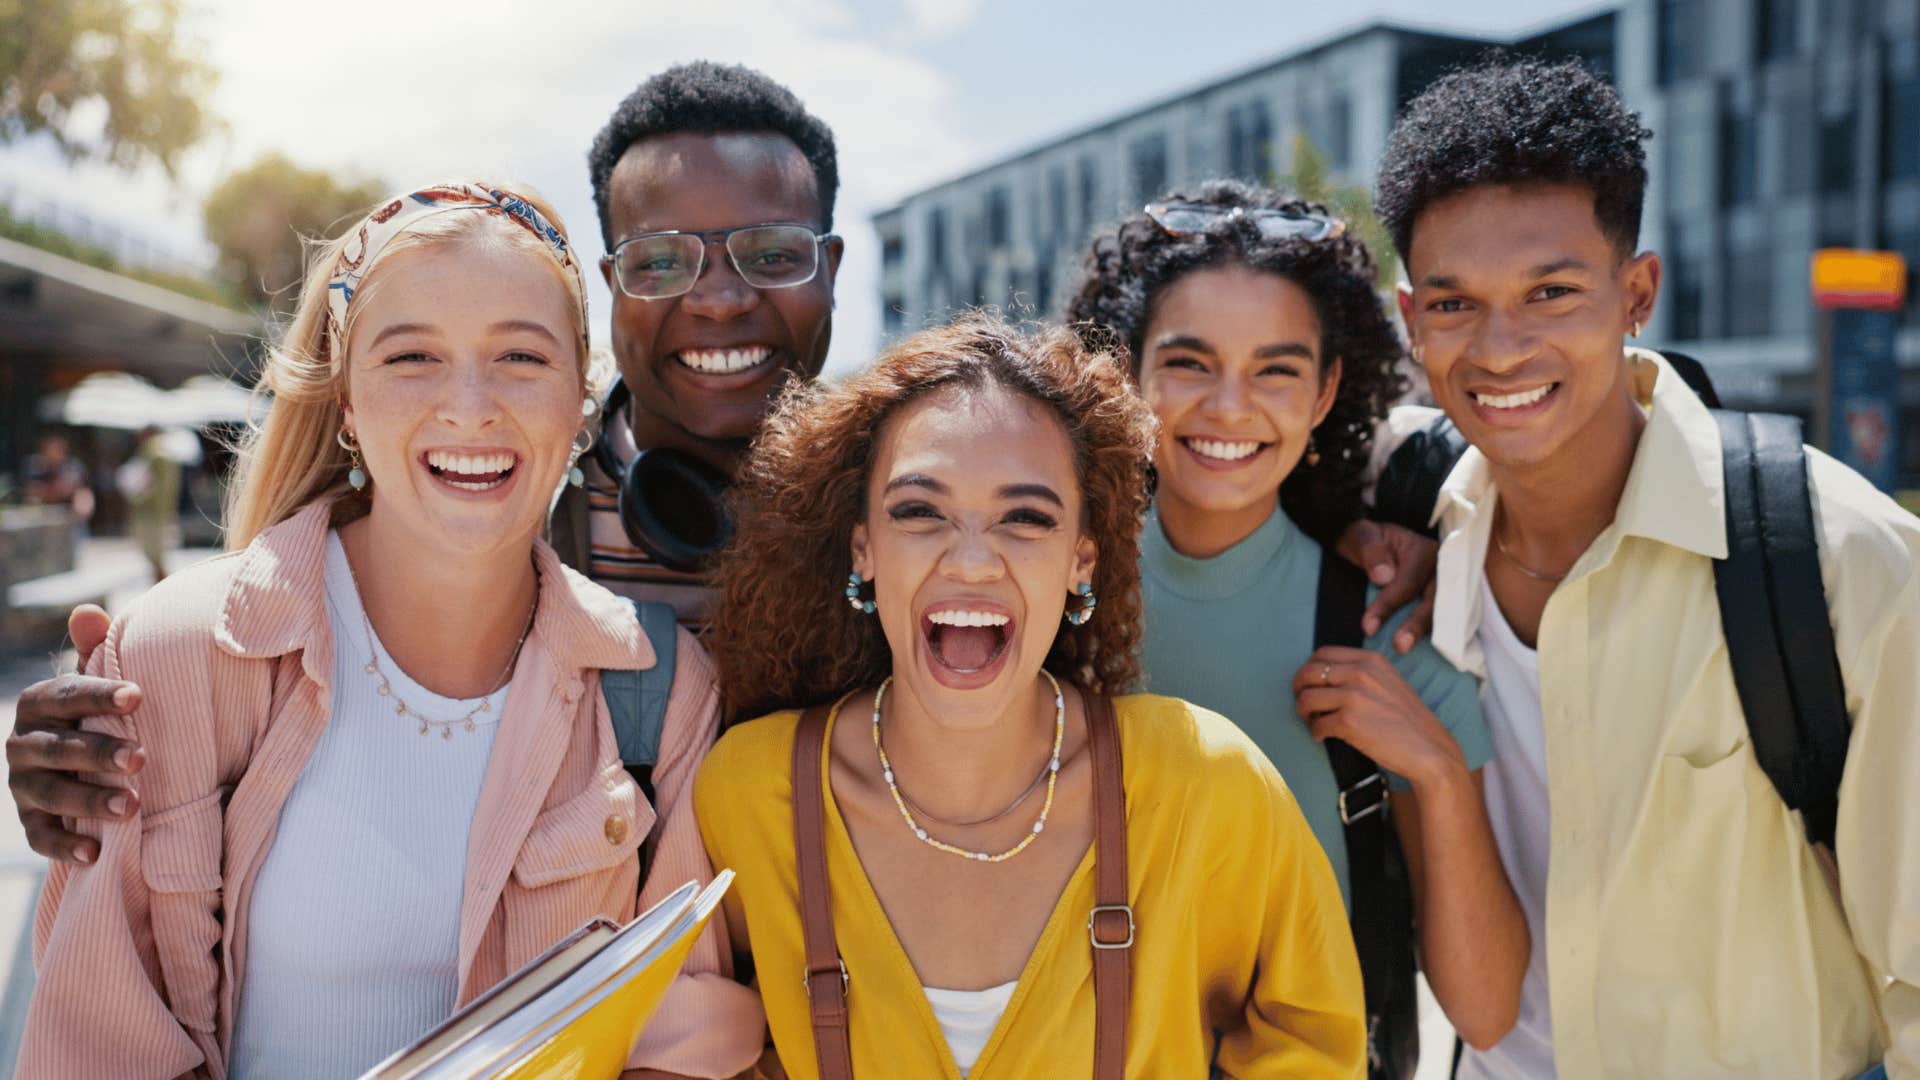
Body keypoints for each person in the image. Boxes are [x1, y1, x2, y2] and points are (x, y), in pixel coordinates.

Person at [6, 61, 1439, 881]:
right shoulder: (488, 498)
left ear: (831, 268)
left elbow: (1211, 464)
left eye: (769, 254)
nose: (719, 300)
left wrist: (1390, 516)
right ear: (605, 282)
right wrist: (109, 749)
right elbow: (267, 666)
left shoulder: (942, 496)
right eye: (663, 260)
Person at [17, 182, 759, 1078]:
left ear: (578, 405)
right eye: (412, 357)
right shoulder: (174, 657)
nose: (471, 405)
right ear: (348, 410)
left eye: (521, 357)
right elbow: (98, 1047)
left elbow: (680, 1043)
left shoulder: (661, 688)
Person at [1376, 58, 1919, 1079]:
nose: (1500, 348)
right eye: (1453, 306)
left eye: (1551, 291)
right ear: (1411, 323)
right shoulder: (1419, 521)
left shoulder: (1837, 559)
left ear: (1637, 294)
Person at [697, 316, 1366, 1078]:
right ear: (864, 547)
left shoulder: (1204, 781)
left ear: (1082, 559)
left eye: (1026, 517)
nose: (974, 561)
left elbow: (1318, 1048)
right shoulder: (750, 793)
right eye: (920, 511)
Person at [1063, 180, 1526, 1059]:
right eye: (1190, 363)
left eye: (1275, 370)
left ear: (1324, 394)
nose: (1230, 407)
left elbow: (1488, 1010)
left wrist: (1434, 766)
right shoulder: (1046, 609)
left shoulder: (1384, 639)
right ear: (1127, 374)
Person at [122, 424, 182, 582]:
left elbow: (148, 485)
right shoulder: (167, 453)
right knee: (157, 555)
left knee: (154, 555)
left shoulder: (153, 453)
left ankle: (163, 590)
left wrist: (136, 498)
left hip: (148, 512)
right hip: (161, 511)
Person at [23, 432, 96, 525]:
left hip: (70, 514)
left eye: (57, 449)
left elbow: (81, 491)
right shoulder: (35, 466)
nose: (53, 453)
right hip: (43, 514)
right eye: (50, 449)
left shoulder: (74, 466)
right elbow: (33, 492)